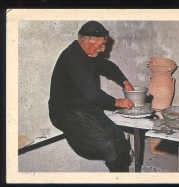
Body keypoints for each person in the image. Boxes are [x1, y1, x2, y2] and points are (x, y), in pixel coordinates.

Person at [48, 21, 135, 172]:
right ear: (87, 40)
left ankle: (123, 167)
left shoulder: (88, 54)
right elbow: (93, 95)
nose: (103, 49)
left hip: (86, 107)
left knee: (119, 138)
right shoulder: (73, 58)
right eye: (101, 44)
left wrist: (125, 83)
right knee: (106, 144)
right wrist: (116, 102)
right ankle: (120, 176)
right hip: (66, 112)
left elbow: (108, 67)